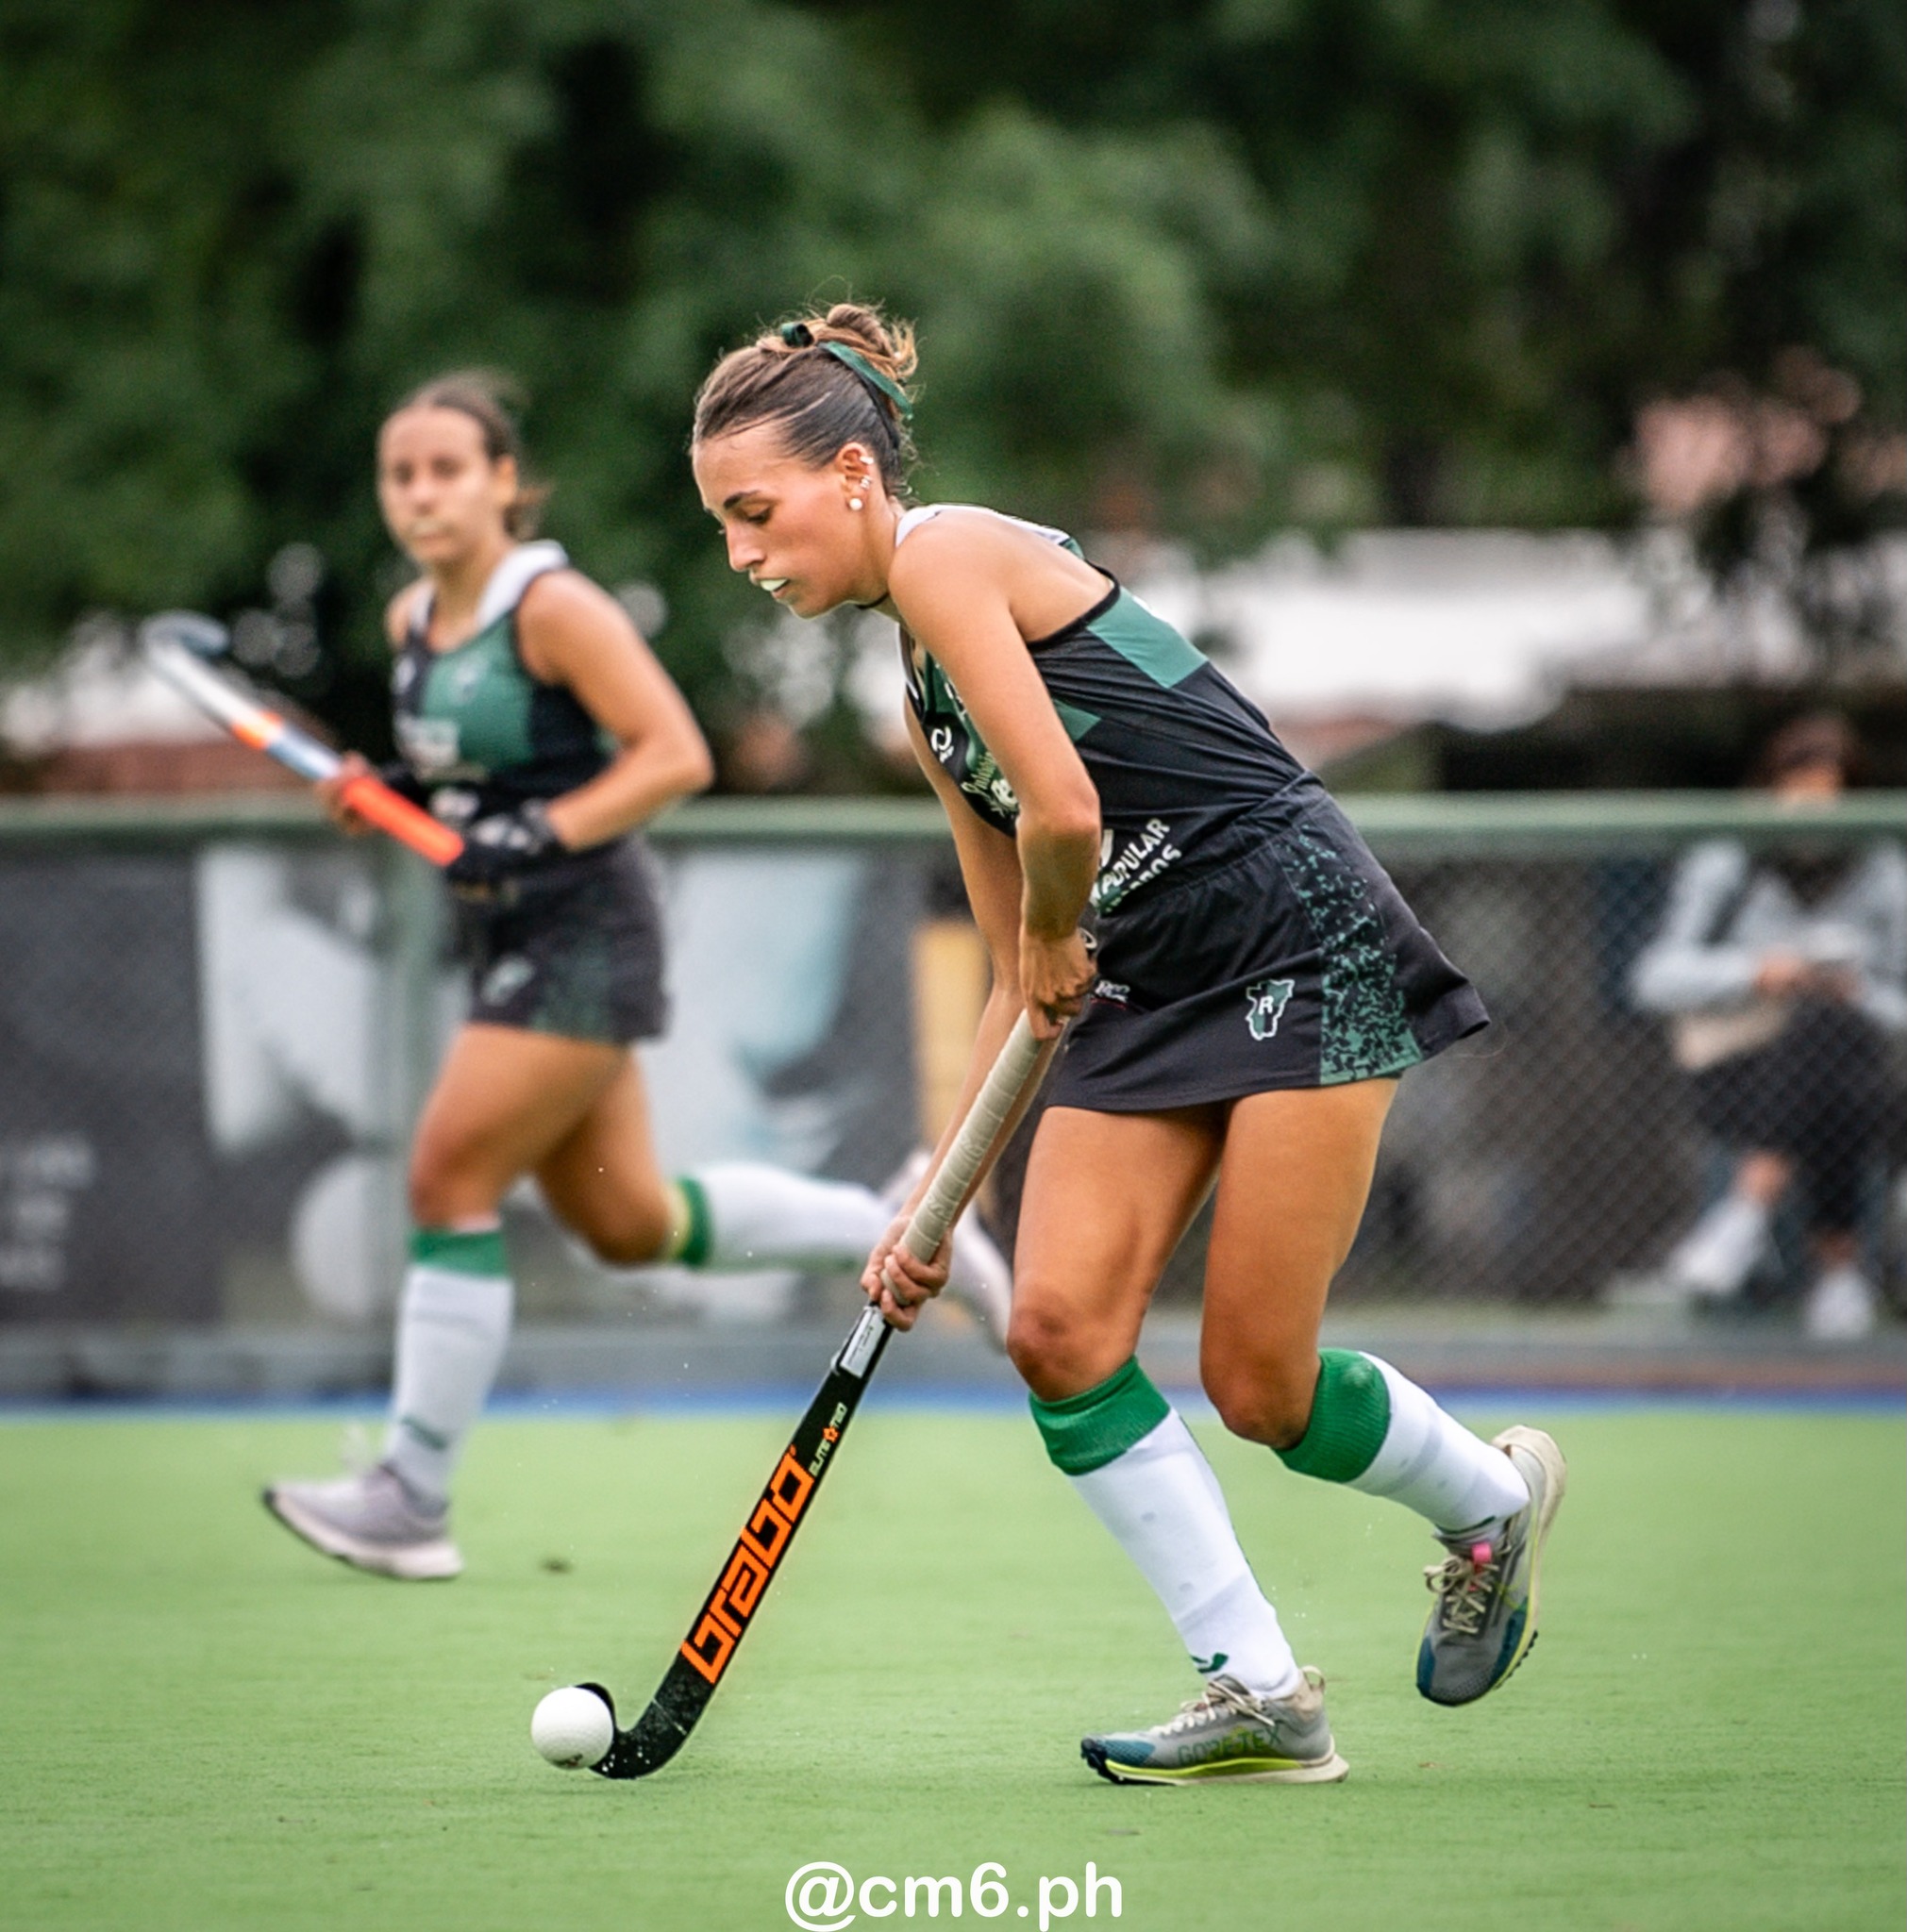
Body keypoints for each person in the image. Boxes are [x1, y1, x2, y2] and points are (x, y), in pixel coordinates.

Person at [689, 303, 1566, 1785]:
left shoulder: (949, 558)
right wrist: (932, 1203)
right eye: (721, 523)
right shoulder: (921, 694)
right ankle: (1258, 1686)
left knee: (1260, 1386)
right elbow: (1013, 968)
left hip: (1292, 933)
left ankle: (1488, 1505)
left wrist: (1052, 936)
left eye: (753, 512)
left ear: (850, 474)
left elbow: (1068, 817)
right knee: (1056, 1333)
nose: (740, 553)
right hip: (1146, 980)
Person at [264, 372, 1009, 1581]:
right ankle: (893, 1225)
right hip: (505, 940)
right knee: (628, 1223)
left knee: (447, 1172)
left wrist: (541, 833)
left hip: (584, 936)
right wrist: (386, 797)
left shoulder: (550, 606)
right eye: (401, 474)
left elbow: (673, 755)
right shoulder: (411, 623)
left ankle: (410, 1495)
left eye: (447, 468)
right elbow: (470, 792)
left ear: (504, 481)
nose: (421, 494)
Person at [1631, 713, 1905, 1341]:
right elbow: (1654, 977)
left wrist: (1855, 990)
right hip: (1740, 1068)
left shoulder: (1884, 870)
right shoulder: (1728, 860)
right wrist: (1755, 972)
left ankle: (1744, 1214)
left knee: (1832, 1037)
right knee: (1838, 1073)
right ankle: (1839, 1273)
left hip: (1849, 1064)